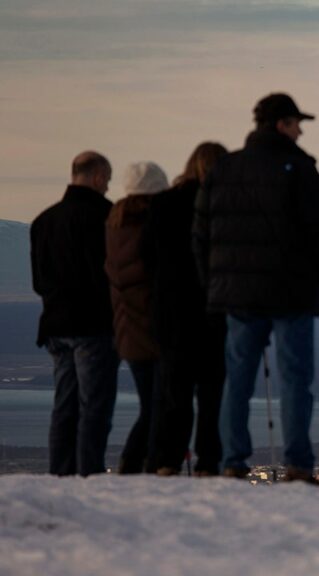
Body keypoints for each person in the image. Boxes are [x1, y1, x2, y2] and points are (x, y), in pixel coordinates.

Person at [194, 93, 319, 483]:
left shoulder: (224, 168)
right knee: (294, 379)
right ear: (281, 124)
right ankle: (297, 464)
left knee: (238, 379)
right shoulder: (297, 167)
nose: (300, 132)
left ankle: (232, 462)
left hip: (237, 296)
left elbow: (201, 234)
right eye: (297, 124)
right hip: (290, 292)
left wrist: (214, 285)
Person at [31, 151, 120, 476]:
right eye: (108, 180)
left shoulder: (44, 221)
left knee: (64, 405)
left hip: (55, 324)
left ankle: (61, 473)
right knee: (94, 405)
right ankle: (89, 474)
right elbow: (110, 275)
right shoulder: (105, 217)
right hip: (94, 325)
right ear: (97, 177)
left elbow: (39, 282)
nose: (108, 186)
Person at [147, 142, 228, 476]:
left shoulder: (164, 204)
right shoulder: (222, 206)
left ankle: (169, 459)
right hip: (213, 312)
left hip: (172, 314)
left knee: (174, 393)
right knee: (211, 394)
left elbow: (146, 255)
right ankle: (208, 462)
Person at [105, 161, 168, 474]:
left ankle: (136, 463)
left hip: (127, 330)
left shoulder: (114, 225)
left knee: (151, 404)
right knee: (158, 406)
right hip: (154, 329)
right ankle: (139, 463)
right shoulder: (154, 227)